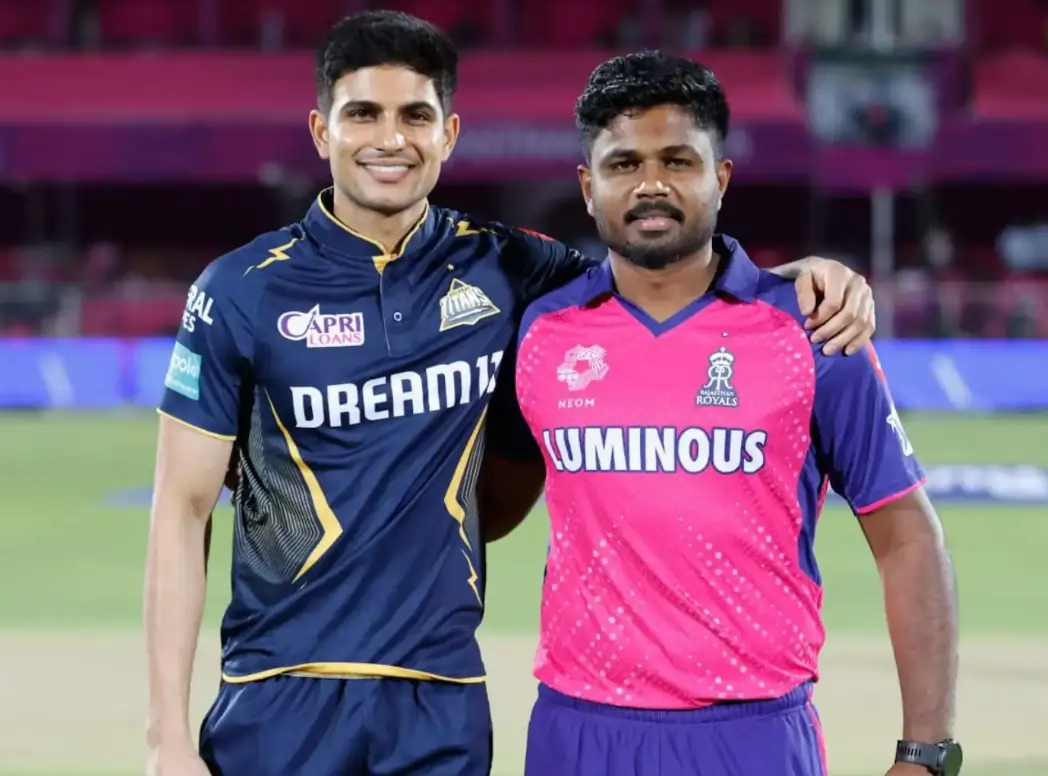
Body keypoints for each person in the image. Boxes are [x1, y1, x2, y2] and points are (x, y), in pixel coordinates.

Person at [144, 13, 880, 776]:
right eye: (363, 113)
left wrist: (792, 278)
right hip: (276, 691)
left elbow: (659, 266)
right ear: (321, 131)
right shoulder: (238, 291)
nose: (390, 139)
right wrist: (167, 737)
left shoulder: (510, 270)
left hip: (443, 701)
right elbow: (180, 509)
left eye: (415, 116)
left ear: (450, 133)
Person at [512, 52, 960, 776]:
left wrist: (927, 752)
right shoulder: (540, 331)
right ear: (588, 187)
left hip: (748, 735)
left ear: (719, 178)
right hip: (575, 730)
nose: (651, 184)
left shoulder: (814, 332)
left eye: (677, 160)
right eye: (623, 163)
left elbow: (908, 539)